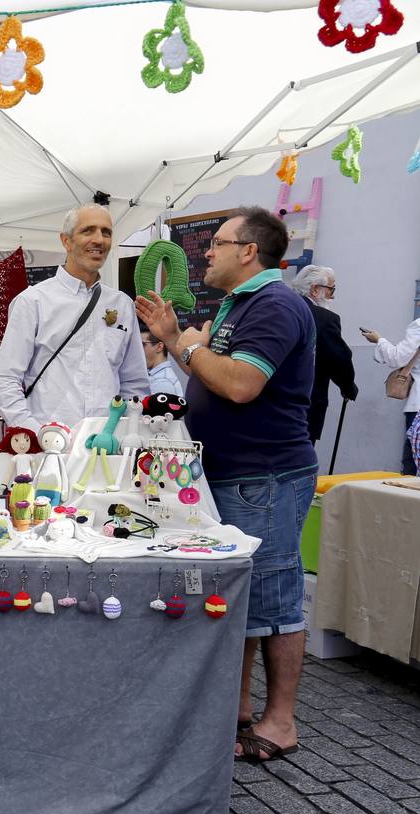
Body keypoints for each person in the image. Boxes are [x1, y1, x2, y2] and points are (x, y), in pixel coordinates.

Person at [137, 206, 315, 764]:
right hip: (234, 472)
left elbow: (239, 385)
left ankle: (280, 721)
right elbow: (211, 374)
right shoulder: (242, 304)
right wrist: (178, 341)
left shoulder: (277, 304)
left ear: (249, 252)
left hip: (266, 474)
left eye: (216, 242)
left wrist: (184, 345)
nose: (205, 252)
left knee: (274, 597)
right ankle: (237, 709)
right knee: (241, 596)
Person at [0, 204, 149, 432]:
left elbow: (134, 384)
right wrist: (34, 433)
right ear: (66, 241)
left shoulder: (121, 304)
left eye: (106, 232)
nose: (99, 240)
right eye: (88, 231)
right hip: (50, 450)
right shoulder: (32, 302)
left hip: (106, 448)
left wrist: (122, 433)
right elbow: (4, 381)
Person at [291, 265, 357, 444]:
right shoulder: (324, 319)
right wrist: (348, 386)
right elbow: (339, 359)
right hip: (304, 407)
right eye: (331, 289)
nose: (333, 295)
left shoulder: (282, 309)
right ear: (314, 289)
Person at [363, 316, 420, 476]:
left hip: (418, 408)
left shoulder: (418, 326)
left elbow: (397, 358)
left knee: (412, 468)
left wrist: (379, 340)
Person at [141, 325, 183, 397]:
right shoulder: (159, 378)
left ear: (159, 347)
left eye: (142, 345)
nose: (138, 350)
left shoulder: (162, 382)